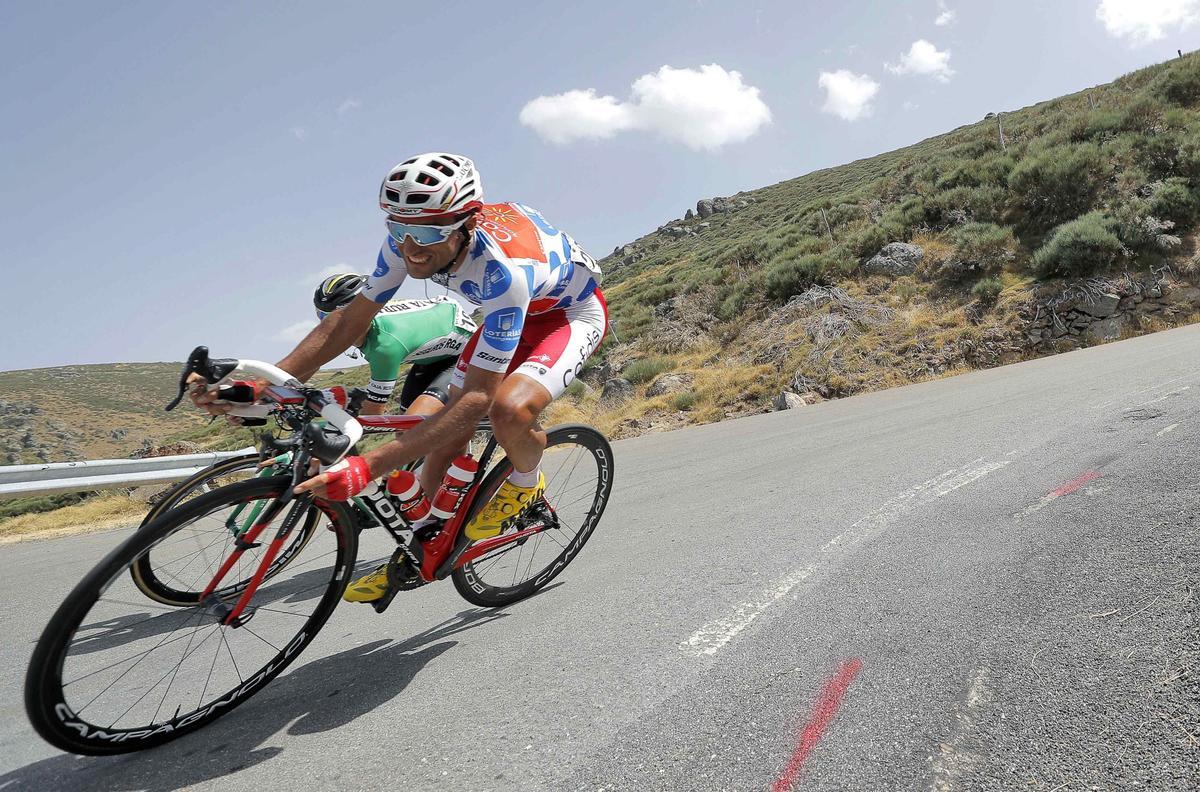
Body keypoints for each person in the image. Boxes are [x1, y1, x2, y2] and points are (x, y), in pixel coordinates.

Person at [191, 152, 605, 603]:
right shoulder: (408, 241)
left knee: (505, 410)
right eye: (398, 229)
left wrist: (368, 466)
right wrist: (267, 384)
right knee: (440, 430)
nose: (410, 249)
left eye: (426, 233)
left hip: (567, 316)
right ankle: (421, 546)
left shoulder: (503, 271)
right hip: (504, 319)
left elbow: (477, 401)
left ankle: (526, 484)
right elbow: (346, 323)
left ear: (465, 223)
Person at [311, 273, 475, 416]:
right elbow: (312, 361)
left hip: (467, 351)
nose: (332, 326)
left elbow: (373, 414)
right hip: (431, 357)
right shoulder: (368, 331)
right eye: (323, 317)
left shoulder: (385, 345)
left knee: (411, 426)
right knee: (402, 426)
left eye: (340, 316)